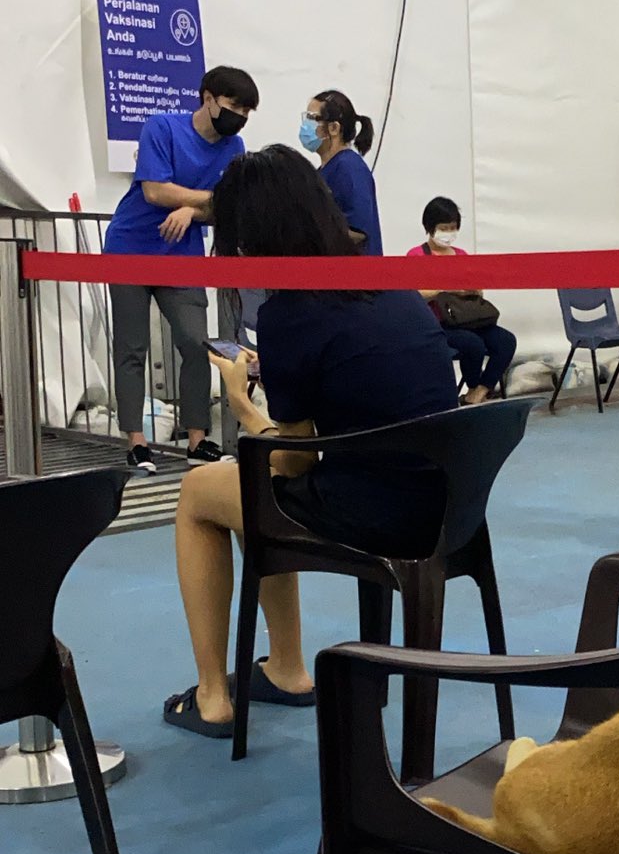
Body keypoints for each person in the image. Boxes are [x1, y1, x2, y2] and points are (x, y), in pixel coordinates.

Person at [163, 146, 458, 738]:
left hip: (378, 512)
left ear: (250, 240)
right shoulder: (389, 285)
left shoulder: (290, 313)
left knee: (201, 493)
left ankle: (214, 694)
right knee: (250, 494)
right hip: (453, 501)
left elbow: (292, 463)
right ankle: (286, 668)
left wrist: (244, 403)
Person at [104, 65, 259, 474]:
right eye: (233, 105)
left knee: (195, 344)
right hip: (130, 248)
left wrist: (191, 208)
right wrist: (209, 201)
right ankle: (136, 441)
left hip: (183, 255)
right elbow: (155, 190)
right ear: (208, 98)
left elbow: (233, 206)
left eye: (247, 110)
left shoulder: (235, 146)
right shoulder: (162, 128)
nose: (239, 115)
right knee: (132, 348)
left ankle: (197, 440)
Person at [408, 196, 516, 403]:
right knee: (472, 344)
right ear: (430, 227)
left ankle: (481, 391)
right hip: (439, 324)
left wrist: (473, 290)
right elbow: (412, 295)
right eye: (443, 228)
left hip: (468, 319)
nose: (448, 233)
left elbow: (477, 293)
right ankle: (473, 386)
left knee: (505, 341)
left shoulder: (462, 255)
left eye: (453, 228)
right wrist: (445, 289)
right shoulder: (417, 256)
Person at [299, 89, 382, 253]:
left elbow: (358, 232)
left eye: (312, 118)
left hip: (353, 272)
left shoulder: (349, 168)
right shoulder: (324, 171)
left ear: (334, 128)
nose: (305, 125)